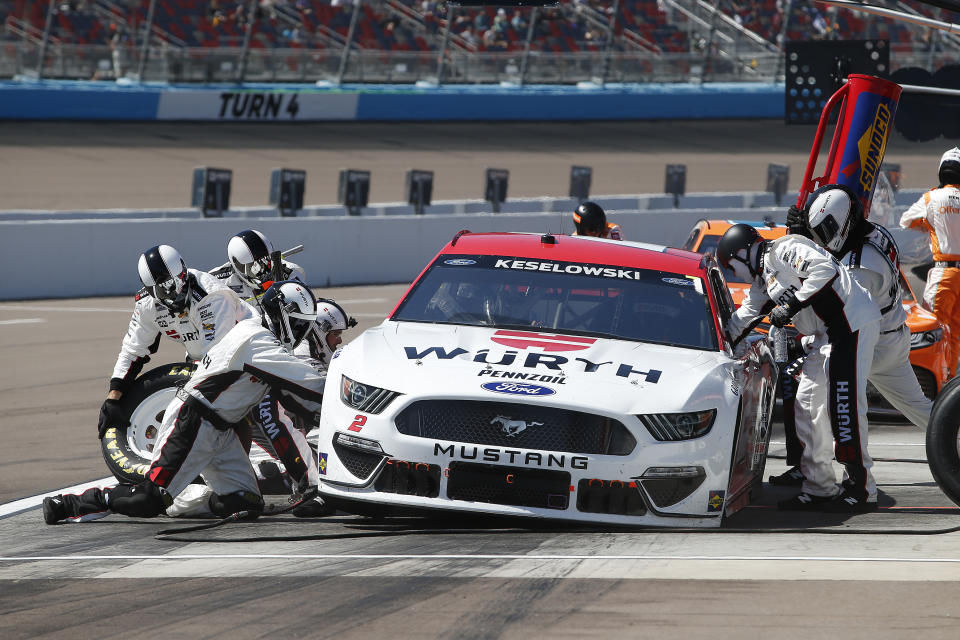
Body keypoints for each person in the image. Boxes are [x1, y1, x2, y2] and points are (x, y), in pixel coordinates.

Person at [43, 281, 327, 524]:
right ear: (284, 315)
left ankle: (175, 498)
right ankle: (77, 502)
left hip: (220, 428)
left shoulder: (259, 338)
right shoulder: (257, 341)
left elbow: (297, 397)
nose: (302, 331)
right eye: (301, 323)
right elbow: (310, 386)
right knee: (146, 500)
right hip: (194, 420)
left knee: (245, 503)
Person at [718, 223, 881, 511]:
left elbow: (824, 270)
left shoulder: (784, 249)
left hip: (852, 324)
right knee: (806, 406)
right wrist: (718, 340)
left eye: (731, 266)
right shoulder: (763, 281)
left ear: (742, 253)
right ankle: (819, 487)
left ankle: (862, 489)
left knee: (844, 408)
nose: (734, 274)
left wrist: (791, 305)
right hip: (826, 336)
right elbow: (743, 318)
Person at [97, 245, 256, 440]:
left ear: (183, 272)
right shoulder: (147, 304)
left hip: (249, 354)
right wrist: (114, 397)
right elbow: (133, 351)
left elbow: (219, 355)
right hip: (202, 360)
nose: (169, 294)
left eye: (171, 284)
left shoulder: (211, 296)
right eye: (158, 290)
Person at [900, 147, 960, 377]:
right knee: (954, 332)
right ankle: (949, 381)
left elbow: (906, 221)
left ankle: (933, 381)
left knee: (933, 328)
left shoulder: (932, 197)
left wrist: (928, 222)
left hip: (944, 274)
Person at [208, 229, 305, 302]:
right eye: (252, 266)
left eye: (267, 261)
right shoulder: (216, 280)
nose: (263, 273)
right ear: (237, 265)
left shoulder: (290, 272)